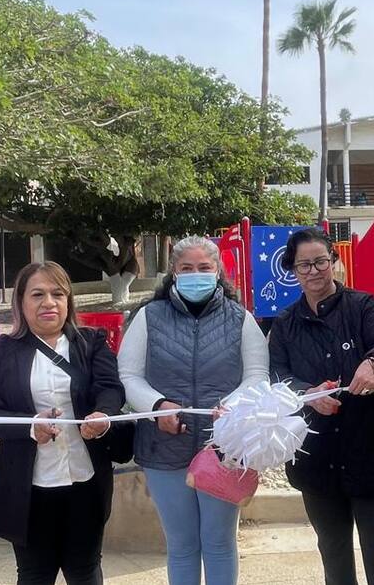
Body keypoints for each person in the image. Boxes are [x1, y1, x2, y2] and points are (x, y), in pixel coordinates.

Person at [118, 236, 269, 584]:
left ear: (217, 272)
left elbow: (257, 375)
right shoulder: (148, 317)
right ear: (174, 272)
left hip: (224, 449)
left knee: (219, 542)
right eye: (187, 268)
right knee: (181, 545)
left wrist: (231, 406)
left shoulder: (241, 319)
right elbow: (127, 375)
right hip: (163, 448)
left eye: (204, 268)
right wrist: (157, 407)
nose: (195, 275)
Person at [0, 262, 126, 584]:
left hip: (85, 480)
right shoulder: (3, 351)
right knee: (34, 574)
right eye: (37, 294)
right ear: (21, 302)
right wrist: (29, 425)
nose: (49, 303)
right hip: (28, 486)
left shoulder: (91, 342)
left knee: (85, 570)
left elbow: (110, 388)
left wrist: (103, 415)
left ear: (68, 301)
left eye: (58, 294)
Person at [269, 228, 374, 585]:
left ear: (334, 261)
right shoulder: (285, 324)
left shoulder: (363, 306)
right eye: (303, 265)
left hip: (373, 451)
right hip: (317, 458)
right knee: (334, 553)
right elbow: (277, 378)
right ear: (293, 270)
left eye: (320, 261)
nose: (313, 271)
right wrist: (306, 394)